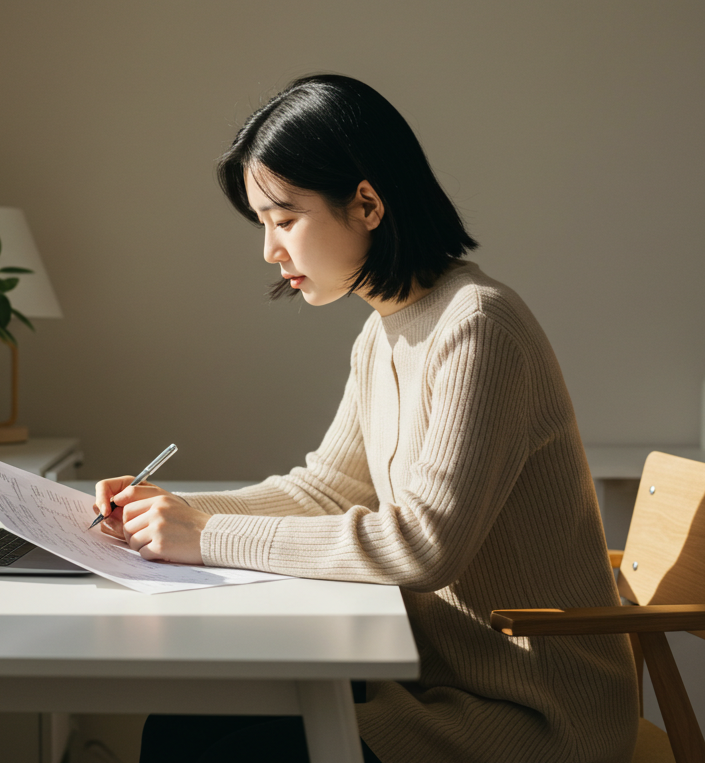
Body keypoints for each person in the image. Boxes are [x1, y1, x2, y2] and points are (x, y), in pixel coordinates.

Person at [92, 74, 638, 763]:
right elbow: (325, 489)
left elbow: (422, 547)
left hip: (530, 713)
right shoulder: (385, 331)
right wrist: (172, 513)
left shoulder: (478, 325)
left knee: (216, 751)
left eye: (285, 219)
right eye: (263, 223)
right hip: (434, 683)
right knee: (174, 731)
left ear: (368, 204)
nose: (270, 250)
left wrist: (206, 535)